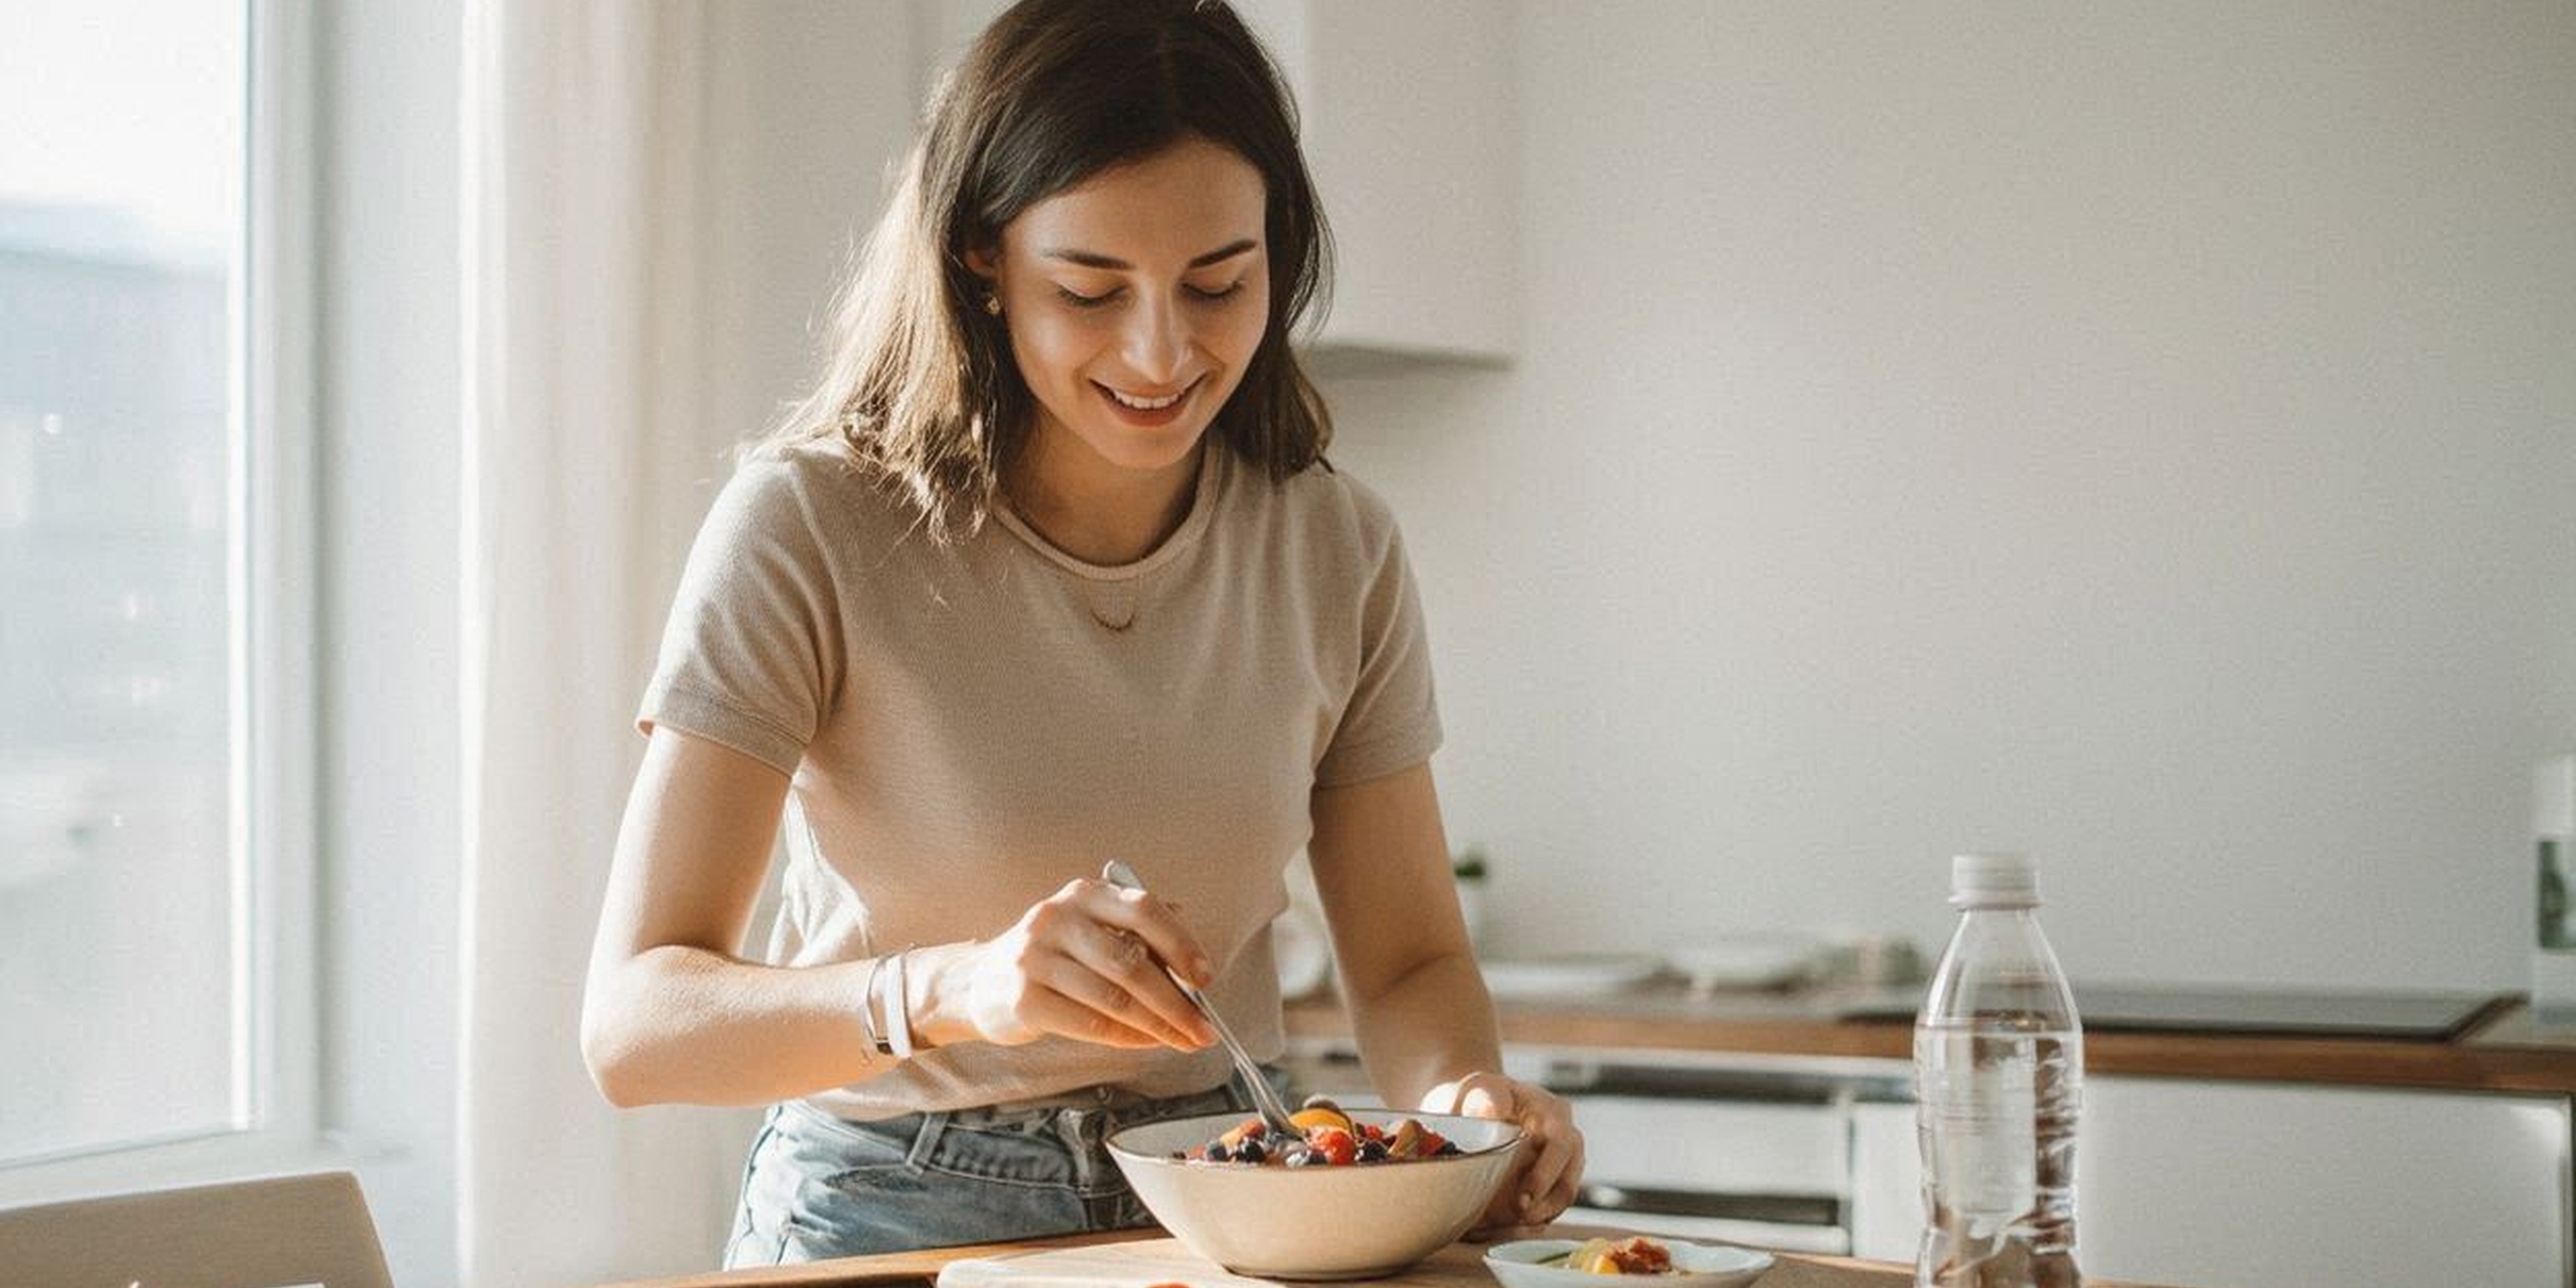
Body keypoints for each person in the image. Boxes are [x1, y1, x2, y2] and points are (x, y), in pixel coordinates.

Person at [579, 0, 1582, 1267]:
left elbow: (1410, 963)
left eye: (1218, 283)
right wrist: (955, 990)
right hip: (893, 1204)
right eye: (1090, 289)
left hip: (1234, 1190)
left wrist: (1460, 1110)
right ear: (982, 258)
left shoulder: (1336, 547)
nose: (1162, 352)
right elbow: (635, 1027)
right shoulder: (809, 527)